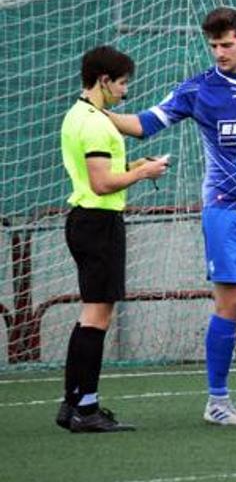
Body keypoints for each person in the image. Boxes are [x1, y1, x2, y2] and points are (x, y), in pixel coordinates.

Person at [104, 7, 236, 425]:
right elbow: (144, 124)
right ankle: (218, 402)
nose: (219, 52)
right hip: (225, 210)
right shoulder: (198, 89)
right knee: (230, 302)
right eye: (213, 45)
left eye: (226, 44)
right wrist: (96, 114)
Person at [57, 46, 169, 432]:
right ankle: (85, 408)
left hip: (85, 221)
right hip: (98, 223)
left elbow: (103, 171)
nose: (125, 92)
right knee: (97, 316)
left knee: (90, 313)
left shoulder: (78, 114)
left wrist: (133, 165)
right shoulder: (96, 124)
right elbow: (101, 183)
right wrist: (144, 173)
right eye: (121, 83)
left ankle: (72, 401)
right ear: (103, 81)